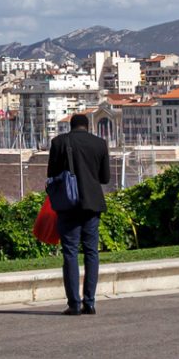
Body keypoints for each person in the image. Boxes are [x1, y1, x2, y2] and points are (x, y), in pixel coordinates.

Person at [45, 110, 112, 315]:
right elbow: (105, 178)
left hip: (68, 204)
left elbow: (52, 175)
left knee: (70, 252)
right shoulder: (100, 144)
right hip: (92, 204)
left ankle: (74, 304)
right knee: (91, 252)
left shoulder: (59, 143)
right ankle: (89, 302)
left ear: (70, 126)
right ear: (87, 126)